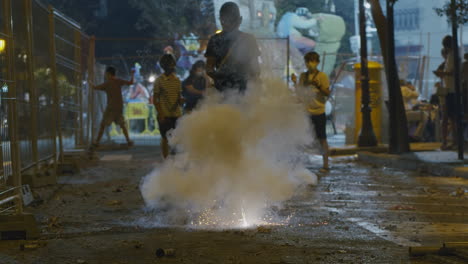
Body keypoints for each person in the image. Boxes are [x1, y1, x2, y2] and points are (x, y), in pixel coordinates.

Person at [205, 1, 260, 93]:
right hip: (245, 92)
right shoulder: (249, 39)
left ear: (221, 20)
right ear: (240, 20)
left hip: (222, 92)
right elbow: (256, 69)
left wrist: (220, 79)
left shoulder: (214, 40)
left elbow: (209, 69)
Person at [294, 52, 330, 172]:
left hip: (319, 111)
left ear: (318, 62)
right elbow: (299, 94)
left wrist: (319, 86)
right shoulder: (303, 77)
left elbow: (328, 93)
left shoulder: (322, 76)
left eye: (313, 61)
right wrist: (294, 83)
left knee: (322, 139)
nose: (310, 64)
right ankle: (299, 164)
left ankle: (326, 165)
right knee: (301, 138)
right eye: (308, 61)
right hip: (306, 111)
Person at [92, 66, 134, 148]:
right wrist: (132, 74)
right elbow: (131, 83)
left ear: (109, 74)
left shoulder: (107, 83)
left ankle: (97, 142)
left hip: (111, 108)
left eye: (106, 74)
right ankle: (128, 140)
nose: (105, 76)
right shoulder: (118, 81)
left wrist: (91, 83)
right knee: (122, 124)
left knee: (103, 124)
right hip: (119, 107)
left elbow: (96, 88)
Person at [153, 54, 183, 158]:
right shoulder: (159, 80)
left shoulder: (177, 81)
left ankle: (175, 159)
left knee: (176, 138)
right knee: (165, 138)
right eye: (168, 65)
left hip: (176, 114)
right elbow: (155, 99)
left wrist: (181, 101)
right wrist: (160, 114)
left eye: (171, 64)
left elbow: (179, 97)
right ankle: (166, 161)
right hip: (164, 114)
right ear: (163, 66)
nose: (170, 67)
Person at [436, 36, 457, 149]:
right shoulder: (451, 56)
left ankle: (448, 141)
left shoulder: (453, 56)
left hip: (450, 90)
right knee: (449, 118)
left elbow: (453, 72)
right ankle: (450, 141)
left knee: (448, 118)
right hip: (448, 90)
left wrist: (443, 74)